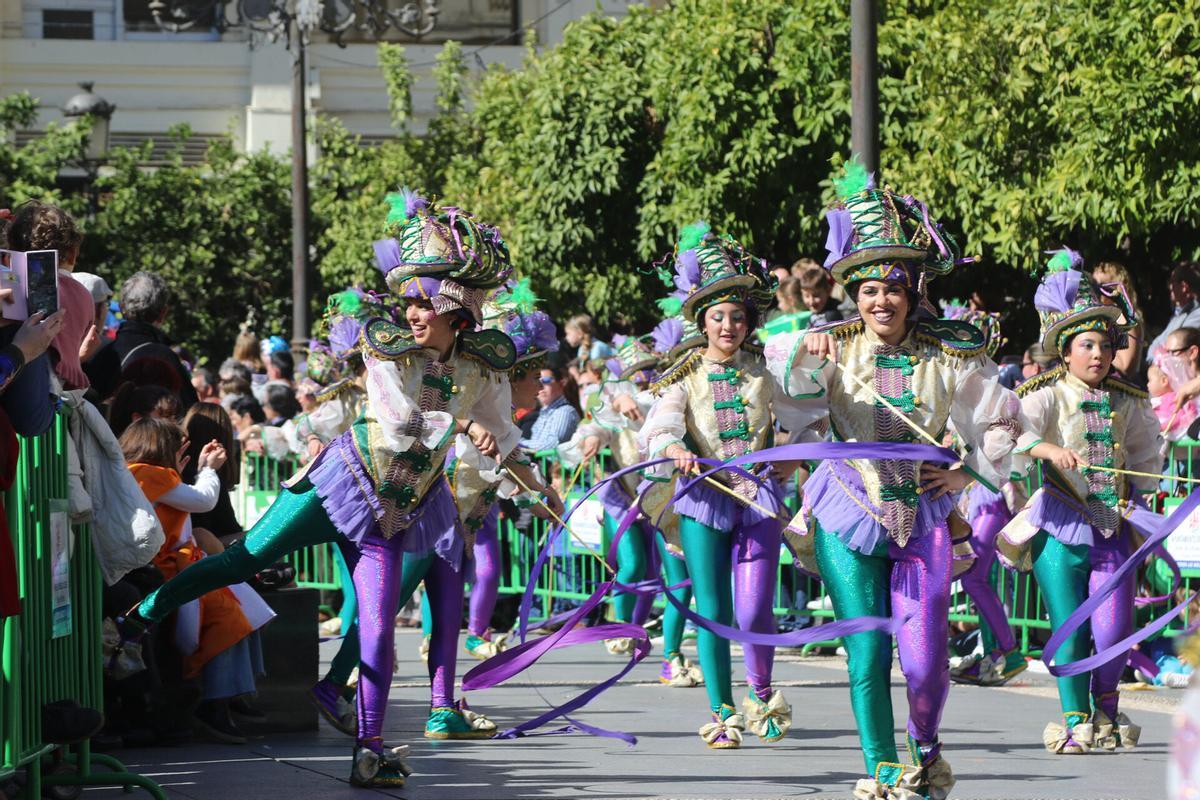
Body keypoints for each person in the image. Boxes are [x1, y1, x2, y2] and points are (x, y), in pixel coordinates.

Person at [115, 193, 561, 788]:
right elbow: (402, 419)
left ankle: (369, 749)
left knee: (376, 626)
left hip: (397, 509)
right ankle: (141, 614)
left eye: (423, 302)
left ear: (456, 311)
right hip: (339, 486)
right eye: (407, 300)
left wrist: (542, 492)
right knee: (245, 558)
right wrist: (462, 423)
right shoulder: (386, 351)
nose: (412, 312)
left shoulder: (481, 369)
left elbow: (503, 439)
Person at [774, 163, 1022, 797]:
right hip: (846, 509)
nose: (880, 301)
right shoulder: (831, 347)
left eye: (893, 290)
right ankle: (881, 767)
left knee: (924, 659)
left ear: (912, 295)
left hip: (924, 514)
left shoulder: (945, 356)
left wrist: (966, 470)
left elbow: (1001, 419)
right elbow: (793, 404)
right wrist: (807, 357)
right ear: (852, 295)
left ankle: (926, 748)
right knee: (867, 653)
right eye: (867, 291)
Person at [640, 222, 804, 750]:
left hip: (756, 498)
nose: (728, 325)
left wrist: (788, 458)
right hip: (703, 500)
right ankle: (722, 711)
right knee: (712, 607)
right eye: (718, 317)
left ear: (748, 321)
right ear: (703, 322)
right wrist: (675, 450)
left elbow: (808, 416)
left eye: (737, 316)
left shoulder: (766, 368)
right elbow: (662, 426)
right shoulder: (683, 373)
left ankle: (761, 693)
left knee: (755, 607)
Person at [998, 247, 1162, 756]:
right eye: (1087, 345)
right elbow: (1005, 437)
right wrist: (1047, 449)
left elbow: (1147, 453)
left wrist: (1147, 488)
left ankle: (1107, 709)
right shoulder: (1044, 393)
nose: (1097, 355)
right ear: (1066, 351)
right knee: (1068, 630)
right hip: (1059, 527)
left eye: (1105, 346)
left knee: (1113, 630)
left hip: (1112, 527)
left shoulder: (1127, 399)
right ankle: (1073, 721)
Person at [121, 417, 273, 744]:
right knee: (228, 614)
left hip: (179, 567)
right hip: (169, 573)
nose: (183, 456)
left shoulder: (140, 473)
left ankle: (231, 695)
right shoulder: (149, 473)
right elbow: (203, 499)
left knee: (244, 606)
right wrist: (208, 469)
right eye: (179, 448)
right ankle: (217, 702)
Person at [3, 201, 99, 390]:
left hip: (21, 386)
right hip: (66, 390)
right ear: (72, 254)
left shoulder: (14, 287)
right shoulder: (84, 296)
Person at [85, 271, 199, 408]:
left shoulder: (97, 355)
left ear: (121, 308)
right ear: (163, 313)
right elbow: (190, 411)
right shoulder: (166, 358)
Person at [1092, 261, 1145, 377]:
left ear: (1118, 288)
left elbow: (1126, 367)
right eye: (1094, 285)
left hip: (1120, 390)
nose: (1096, 291)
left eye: (1102, 285)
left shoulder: (1125, 319)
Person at [519, 364, 581, 454]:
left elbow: (552, 444)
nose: (541, 386)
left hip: (555, 466)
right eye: (537, 381)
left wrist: (518, 443)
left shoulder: (565, 411)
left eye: (546, 381)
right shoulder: (544, 411)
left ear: (561, 384)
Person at [1149, 261, 1200, 362]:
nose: (1169, 287)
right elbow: (1156, 346)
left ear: (1184, 287)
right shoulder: (1180, 315)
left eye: (1172, 282)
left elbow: (1174, 350)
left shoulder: (1197, 315)